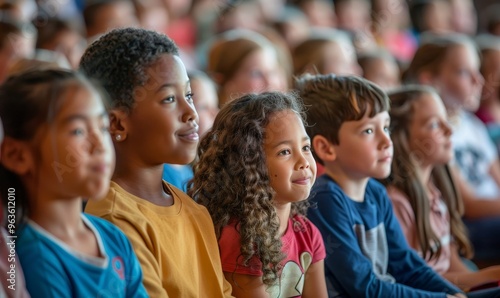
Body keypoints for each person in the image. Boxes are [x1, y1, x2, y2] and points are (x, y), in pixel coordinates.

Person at [80, 27, 232, 297]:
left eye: (189, 95)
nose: (190, 113)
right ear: (117, 122)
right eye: (169, 99)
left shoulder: (193, 209)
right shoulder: (115, 220)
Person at [295, 74, 465, 297]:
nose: (386, 142)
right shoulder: (325, 199)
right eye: (368, 131)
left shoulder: (376, 193)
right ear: (327, 148)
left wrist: (454, 294)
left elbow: (408, 266)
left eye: (385, 128)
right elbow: (364, 287)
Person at [0, 69, 147, 297]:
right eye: (78, 130)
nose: (100, 144)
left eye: (102, 127)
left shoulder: (112, 237)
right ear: (17, 156)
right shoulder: (34, 257)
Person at [189, 92, 327, 297]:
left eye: (305, 147)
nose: (304, 161)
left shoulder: (308, 234)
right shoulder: (242, 241)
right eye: (285, 152)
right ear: (248, 164)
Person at [383, 85, 500, 295]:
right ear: (401, 138)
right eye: (434, 124)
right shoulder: (397, 203)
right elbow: (416, 279)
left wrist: (486, 280)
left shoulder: (435, 191)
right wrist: (484, 277)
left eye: (446, 120)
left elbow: (452, 262)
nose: (449, 130)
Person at [403, 33, 500, 264]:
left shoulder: (473, 125)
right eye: (464, 72)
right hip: (465, 227)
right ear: (430, 80)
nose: (479, 81)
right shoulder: (432, 134)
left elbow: (496, 176)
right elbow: (468, 205)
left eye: (477, 71)